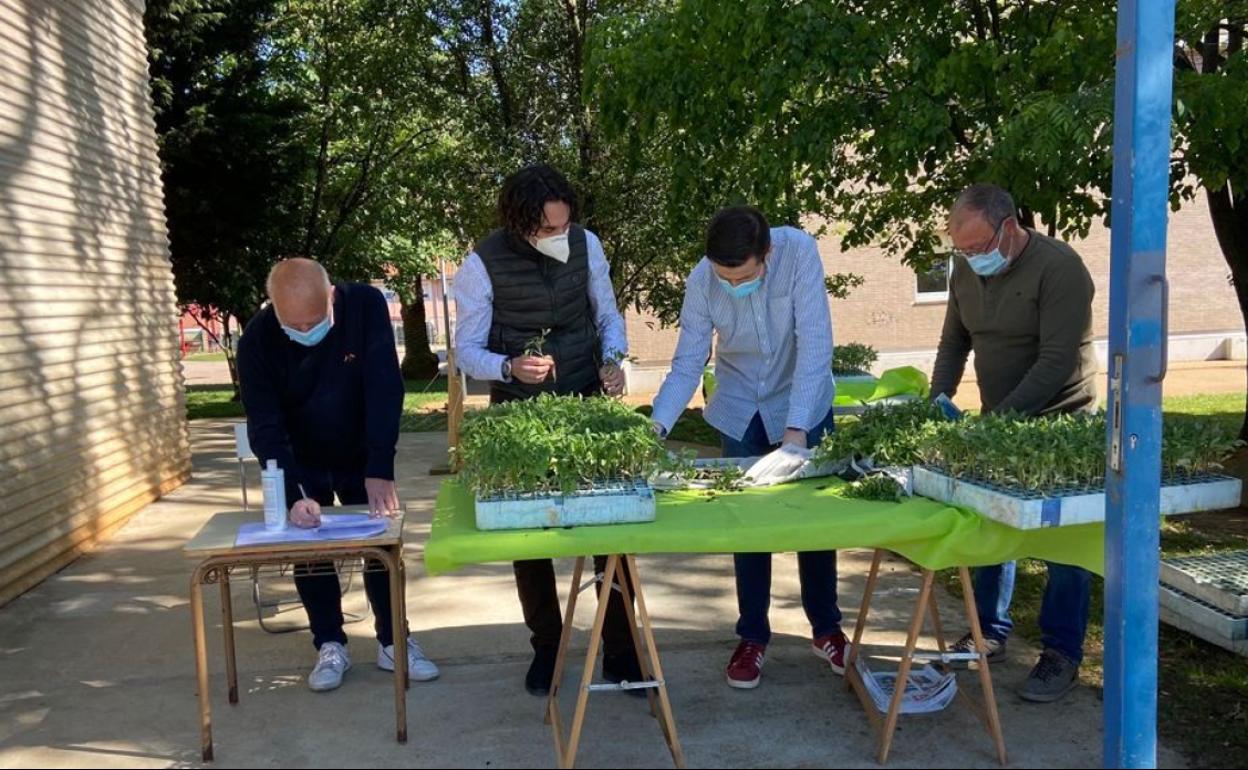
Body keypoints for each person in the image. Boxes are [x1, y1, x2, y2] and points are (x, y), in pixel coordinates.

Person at [452, 164, 643, 696]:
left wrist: (613, 360)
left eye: (565, 226)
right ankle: (548, 649)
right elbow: (465, 351)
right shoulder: (480, 265)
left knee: (610, 524)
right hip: (519, 414)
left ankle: (622, 650)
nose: (560, 237)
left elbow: (608, 315)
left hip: (586, 402)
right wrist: (508, 367)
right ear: (519, 224)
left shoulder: (589, 246)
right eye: (548, 230)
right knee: (527, 534)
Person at [649, 205, 846, 690]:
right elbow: (688, 360)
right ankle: (753, 636)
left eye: (742, 275)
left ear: (767, 254)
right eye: (723, 276)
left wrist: (797, 433)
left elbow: (816, 344)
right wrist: (652, 430)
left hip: (802, 399)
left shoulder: (798, 252)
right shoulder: (702, 280)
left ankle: (826, 630)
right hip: (739, 405)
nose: (731, 284)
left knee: (814, 522)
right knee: (746, 526)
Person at [238, 257, 439, 692]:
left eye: (315, 320)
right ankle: (329, 643)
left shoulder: (364, 306)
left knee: (380, 540)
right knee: (310, 545)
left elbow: (385, 386)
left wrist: (379, 467)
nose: (306, 333)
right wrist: (292, 493)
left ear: (332, 296)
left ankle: (393, 641)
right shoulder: (258, 339)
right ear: (272, 308)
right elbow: (265, 425)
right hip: (301, 452)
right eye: (294, 324)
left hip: (360, 448)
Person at [931, 182, 1098, 703]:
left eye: (978, 248)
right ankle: (986, 633)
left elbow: (1054, 362)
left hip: (1061, 426)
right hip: (999, 419)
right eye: (961, 250)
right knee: (989, 525)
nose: (970, 258)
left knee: (1066, 548)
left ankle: (1061, 652)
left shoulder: (1061, 268)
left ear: (1009, 227)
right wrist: (935, 400)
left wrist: (994, 425)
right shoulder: (964, 270)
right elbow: (954, 341)